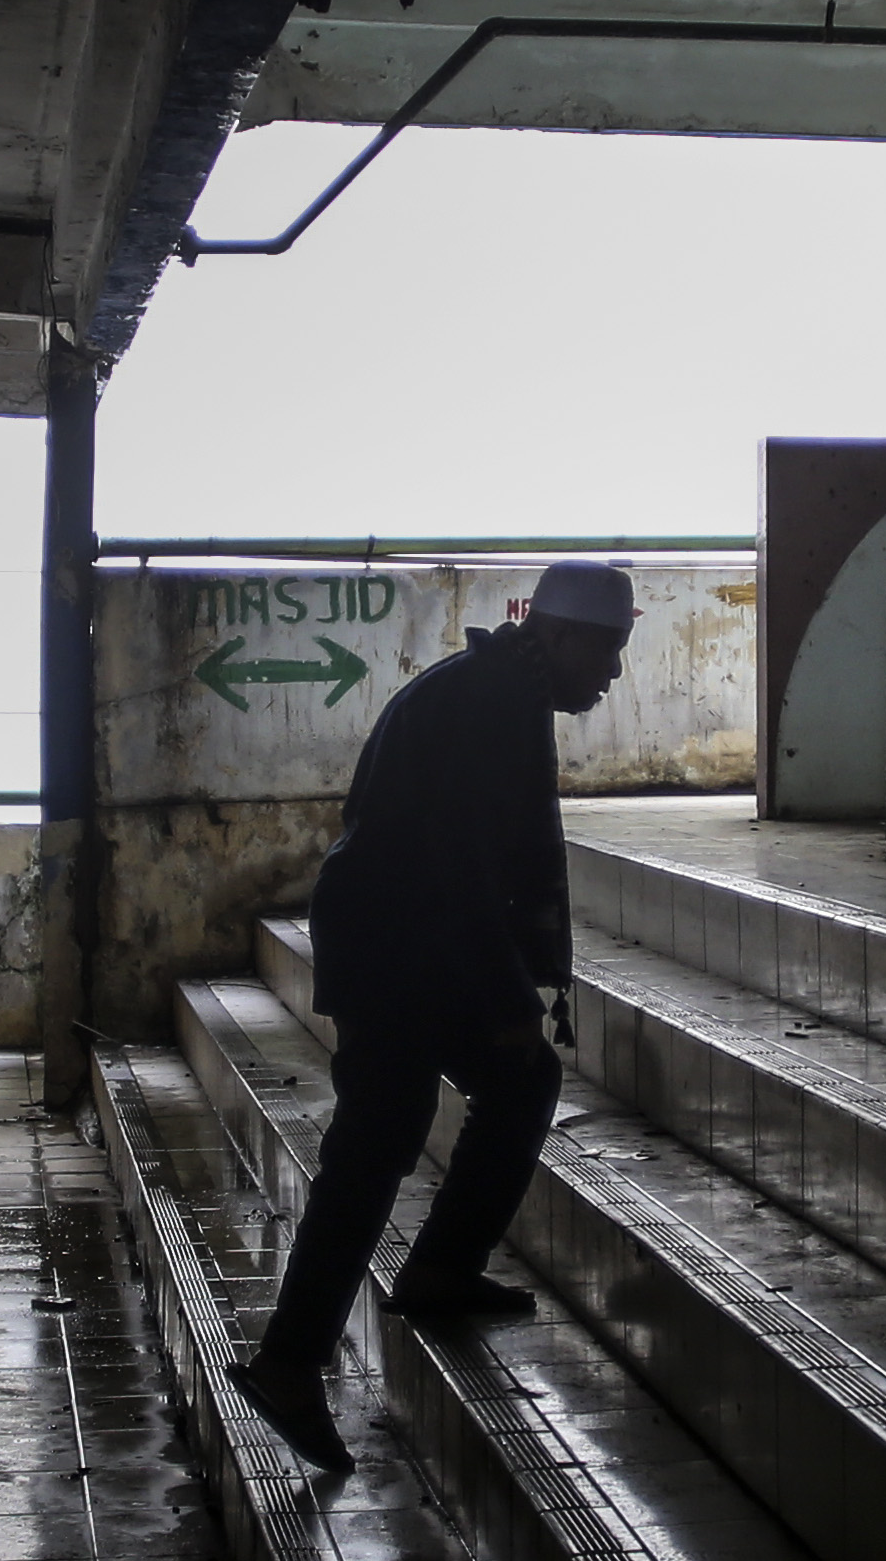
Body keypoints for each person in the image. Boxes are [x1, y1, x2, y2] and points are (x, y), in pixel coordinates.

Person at [226, 560, 636, 1471]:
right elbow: (458, 874)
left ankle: (443, 1270)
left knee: (517, 1085)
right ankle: (288, 1362)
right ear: (558, 635)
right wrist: (507, 1000)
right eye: (606, 651)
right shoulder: (486, 705)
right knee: (380, 1140)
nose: (612, 673)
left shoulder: (497, 687)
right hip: (396, 942)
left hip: (405, 934)